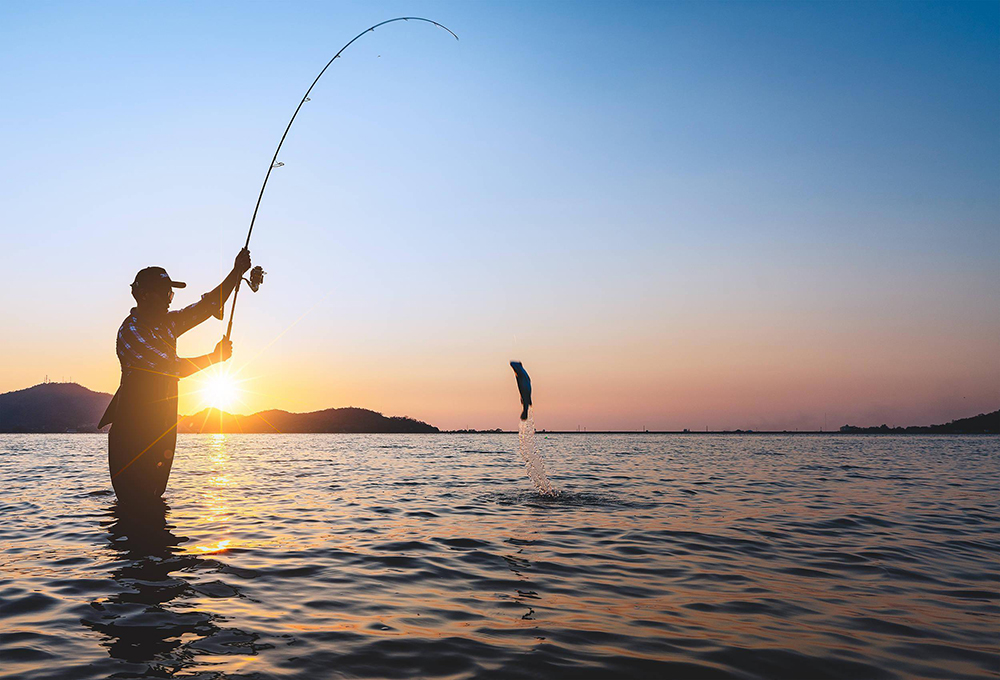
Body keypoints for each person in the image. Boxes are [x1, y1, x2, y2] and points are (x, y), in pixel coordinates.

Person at [99, 249, 251, 504]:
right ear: (144, 296)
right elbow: (170, 367)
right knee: (134, 503)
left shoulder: (168, 323)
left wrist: (236, 273)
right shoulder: (130, 332)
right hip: (131, 435)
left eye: (171, 293)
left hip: (162, 430)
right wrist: (214, 358)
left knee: (154, 501)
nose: (170, 300)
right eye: (165, 293)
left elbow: (206, 306)